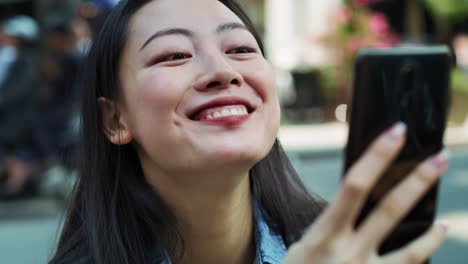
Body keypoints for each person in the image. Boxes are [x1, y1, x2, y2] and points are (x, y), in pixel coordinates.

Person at [50, 0, 449, 263]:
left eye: (240, 49)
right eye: (173, 55)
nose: (223, 71)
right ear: (115, 120)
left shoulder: (353, 251)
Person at [0, 15, 43, 198]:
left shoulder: (29, 61)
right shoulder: (9, 57)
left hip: (18, 120)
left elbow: (20, 89)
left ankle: (18, 178)